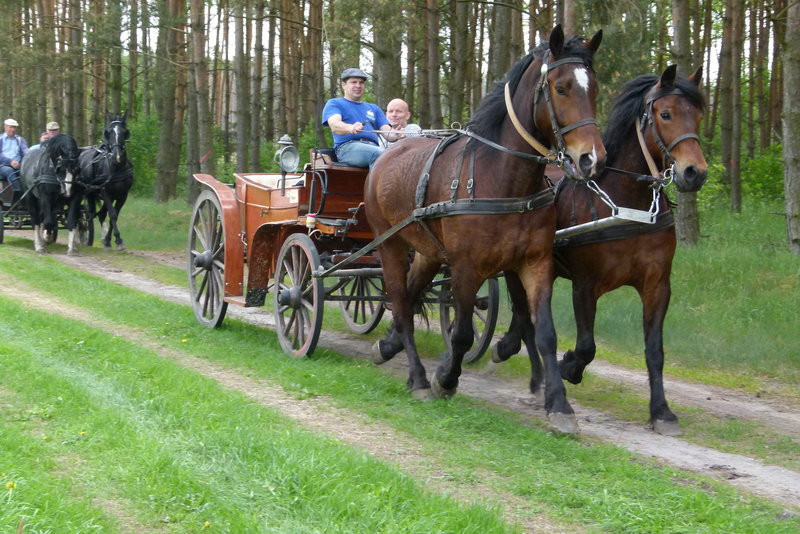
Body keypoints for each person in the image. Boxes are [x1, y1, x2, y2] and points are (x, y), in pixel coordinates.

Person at [322, 68, 399, 169]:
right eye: (354, 82)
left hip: (374, 148)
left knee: (398, 157)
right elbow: (335, 125)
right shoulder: (335, 103)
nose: (358, 86)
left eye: (361, 83)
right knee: (381, 154)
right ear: (344, 85)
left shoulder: (374, 108)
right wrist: (350, 128)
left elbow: (388, 133)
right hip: (348, 148)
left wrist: (397, 134)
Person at [0, 118, 29, 193]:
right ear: (5, 127)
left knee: (30, 172)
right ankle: (19, 194)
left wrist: (28, 155)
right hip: (2, 165)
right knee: (9, 171)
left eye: (14, 127)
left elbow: (25, 150)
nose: (13, 129)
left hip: (18, 165)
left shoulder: (20, 140)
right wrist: (10, 162)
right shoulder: (0, 139)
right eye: (11, 127)